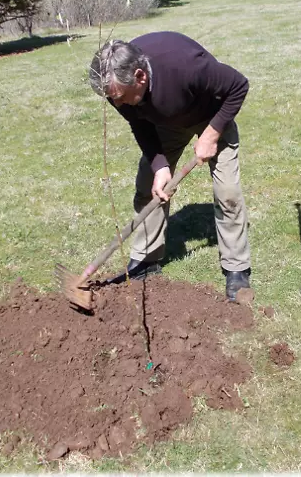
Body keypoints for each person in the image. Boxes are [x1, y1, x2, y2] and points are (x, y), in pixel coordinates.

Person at [88, 31, 252, 301]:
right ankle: (146, 260)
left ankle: (237, 268)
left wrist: (210, 135)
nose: (116, 104)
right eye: (112, 98)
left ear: (140, 76)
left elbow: (238, 86)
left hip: (211, 116)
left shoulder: (186, 66)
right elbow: (139, 124)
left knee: (228, 192)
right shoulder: (116, 88)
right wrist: (160, 166)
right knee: (147, 186)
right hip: (165, 124)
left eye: (119, 97)